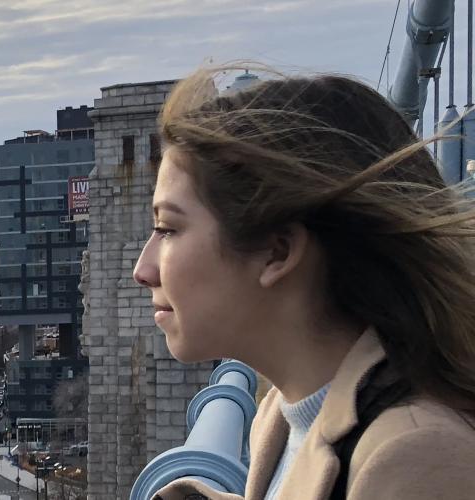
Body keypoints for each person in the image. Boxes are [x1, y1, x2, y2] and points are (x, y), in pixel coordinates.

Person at [139, 64, 475, 500]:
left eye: (168, 229)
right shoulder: (281, 415)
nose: (143, 269)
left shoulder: (417, 458)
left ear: (277, 252)